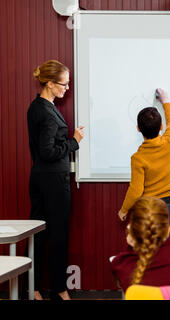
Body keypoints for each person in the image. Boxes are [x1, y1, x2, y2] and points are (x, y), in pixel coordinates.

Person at [27, 60, 85, 300]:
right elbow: (48, 152)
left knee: (39, 232)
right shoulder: (47, 113)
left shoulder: (37, 106)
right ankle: (60, 289)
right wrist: (74, 141)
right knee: (58, 234)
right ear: (50, 84)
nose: (67, 88)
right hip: (53, 180)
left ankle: (35, 288)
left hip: (40, 177)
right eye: (64, 83)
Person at [118, 88, 170, 221]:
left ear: (138, 129)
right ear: (161, 126)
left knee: (154, 240)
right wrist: (165, 102)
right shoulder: (168, 142)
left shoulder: (138, 158)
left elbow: (135, 191)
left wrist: (124, 210)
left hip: (152, 206)